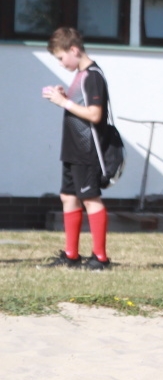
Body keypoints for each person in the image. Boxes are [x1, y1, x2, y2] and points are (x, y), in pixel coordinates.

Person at [40, 27, 112, 270]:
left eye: (61, 58)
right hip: (72, 150)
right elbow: (77, 107)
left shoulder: (93, 76)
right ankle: (71, 255)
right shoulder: (80, 76)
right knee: (68, 197)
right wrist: (64, 97)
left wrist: (64, 101)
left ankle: (100, 258)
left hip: (88, 150)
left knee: (90, 198)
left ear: (74, 50)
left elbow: (94, 114)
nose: (61, 64)